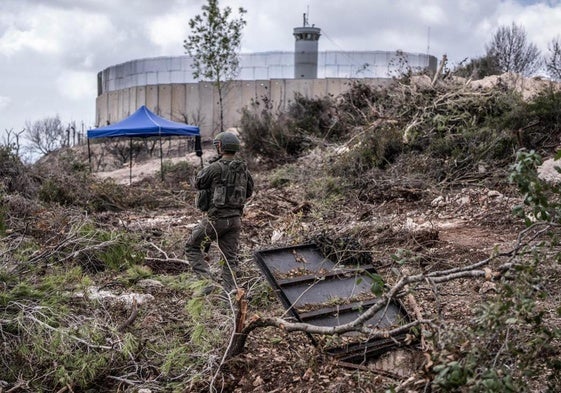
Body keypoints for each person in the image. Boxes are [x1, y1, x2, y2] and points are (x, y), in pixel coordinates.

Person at [185, 131, 254, 294]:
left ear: (220, 147)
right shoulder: (244, 169)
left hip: (216, 221)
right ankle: (228, 299)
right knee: (230, 260)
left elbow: (198, 184)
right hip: (235, 221)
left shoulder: (214, 168)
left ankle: (206, 283)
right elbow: (249, 191)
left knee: (191, 246)